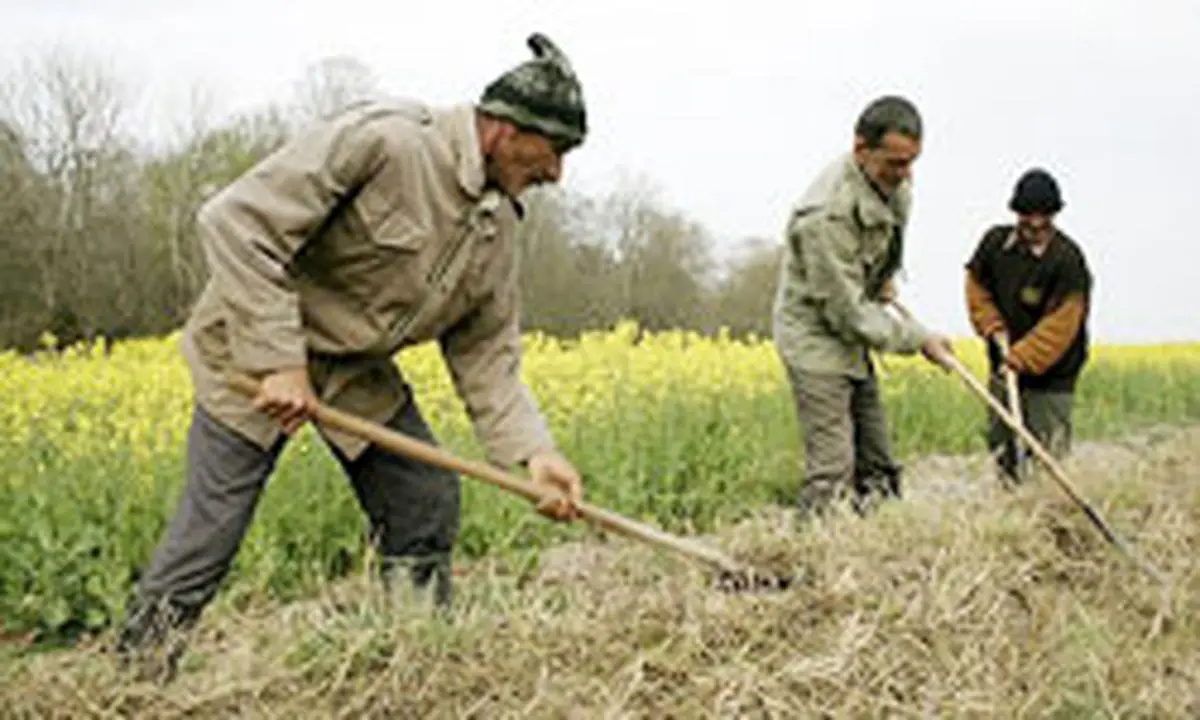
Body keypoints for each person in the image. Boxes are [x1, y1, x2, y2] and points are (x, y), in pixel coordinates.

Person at [114, 32, 589, 681]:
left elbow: (487, 357)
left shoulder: (498, 226)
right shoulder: (387, 141)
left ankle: (419, 662)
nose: (557, 172)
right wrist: (278, 358)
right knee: (210, 532)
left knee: (423, 499)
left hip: (350, 373)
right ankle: (134, 679)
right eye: (553, 151)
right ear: (505, 130)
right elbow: (236, 220)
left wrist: (534, 454)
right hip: (250, 353)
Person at [771, 94, 957, 521]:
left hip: (855, 331)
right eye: (895, 162)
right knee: (834, 468)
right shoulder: (824, 216)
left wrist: (881, 277)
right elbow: (847, 314)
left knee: (878, 464)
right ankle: (813, 564)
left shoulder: (894, 184)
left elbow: (880, 248)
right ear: (861, 149)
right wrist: (919, 340)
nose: (906, 173)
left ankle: (878, 556)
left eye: (912, 161)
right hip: (817, 339)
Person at [964, 168, 1092, 486]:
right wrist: (990, 325)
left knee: (1047, 454)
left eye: (1043, 216)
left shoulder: (1068, 260)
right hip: (1003, 365)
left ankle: (1047, 516)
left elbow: (1062, 324)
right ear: (1016, 214)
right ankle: (1010, 510)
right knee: (1003, 447)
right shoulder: (994, 244)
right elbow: (976, 286)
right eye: (1027, 216)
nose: (1035, 224)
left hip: (1052, 376)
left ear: (1054, 215)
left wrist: (1021, 358)